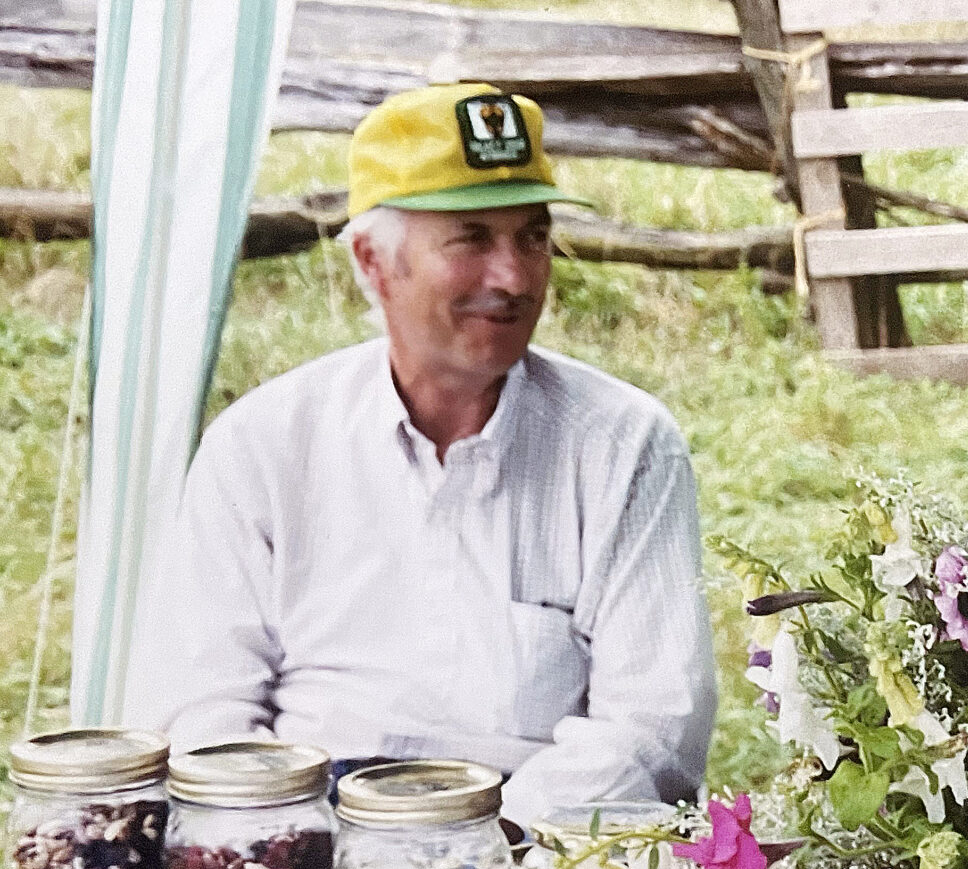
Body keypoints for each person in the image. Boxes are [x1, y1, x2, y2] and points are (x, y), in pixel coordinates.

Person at [126, 83, 717, 825]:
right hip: (299, 843)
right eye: (472, 239)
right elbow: (199, 708)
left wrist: (460, 853)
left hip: (537, 845)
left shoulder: (624, 444)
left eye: (532, 236)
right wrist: (311, 852)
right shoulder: (264, 444)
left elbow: (656, 727)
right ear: (375, 263)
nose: (514, 277)